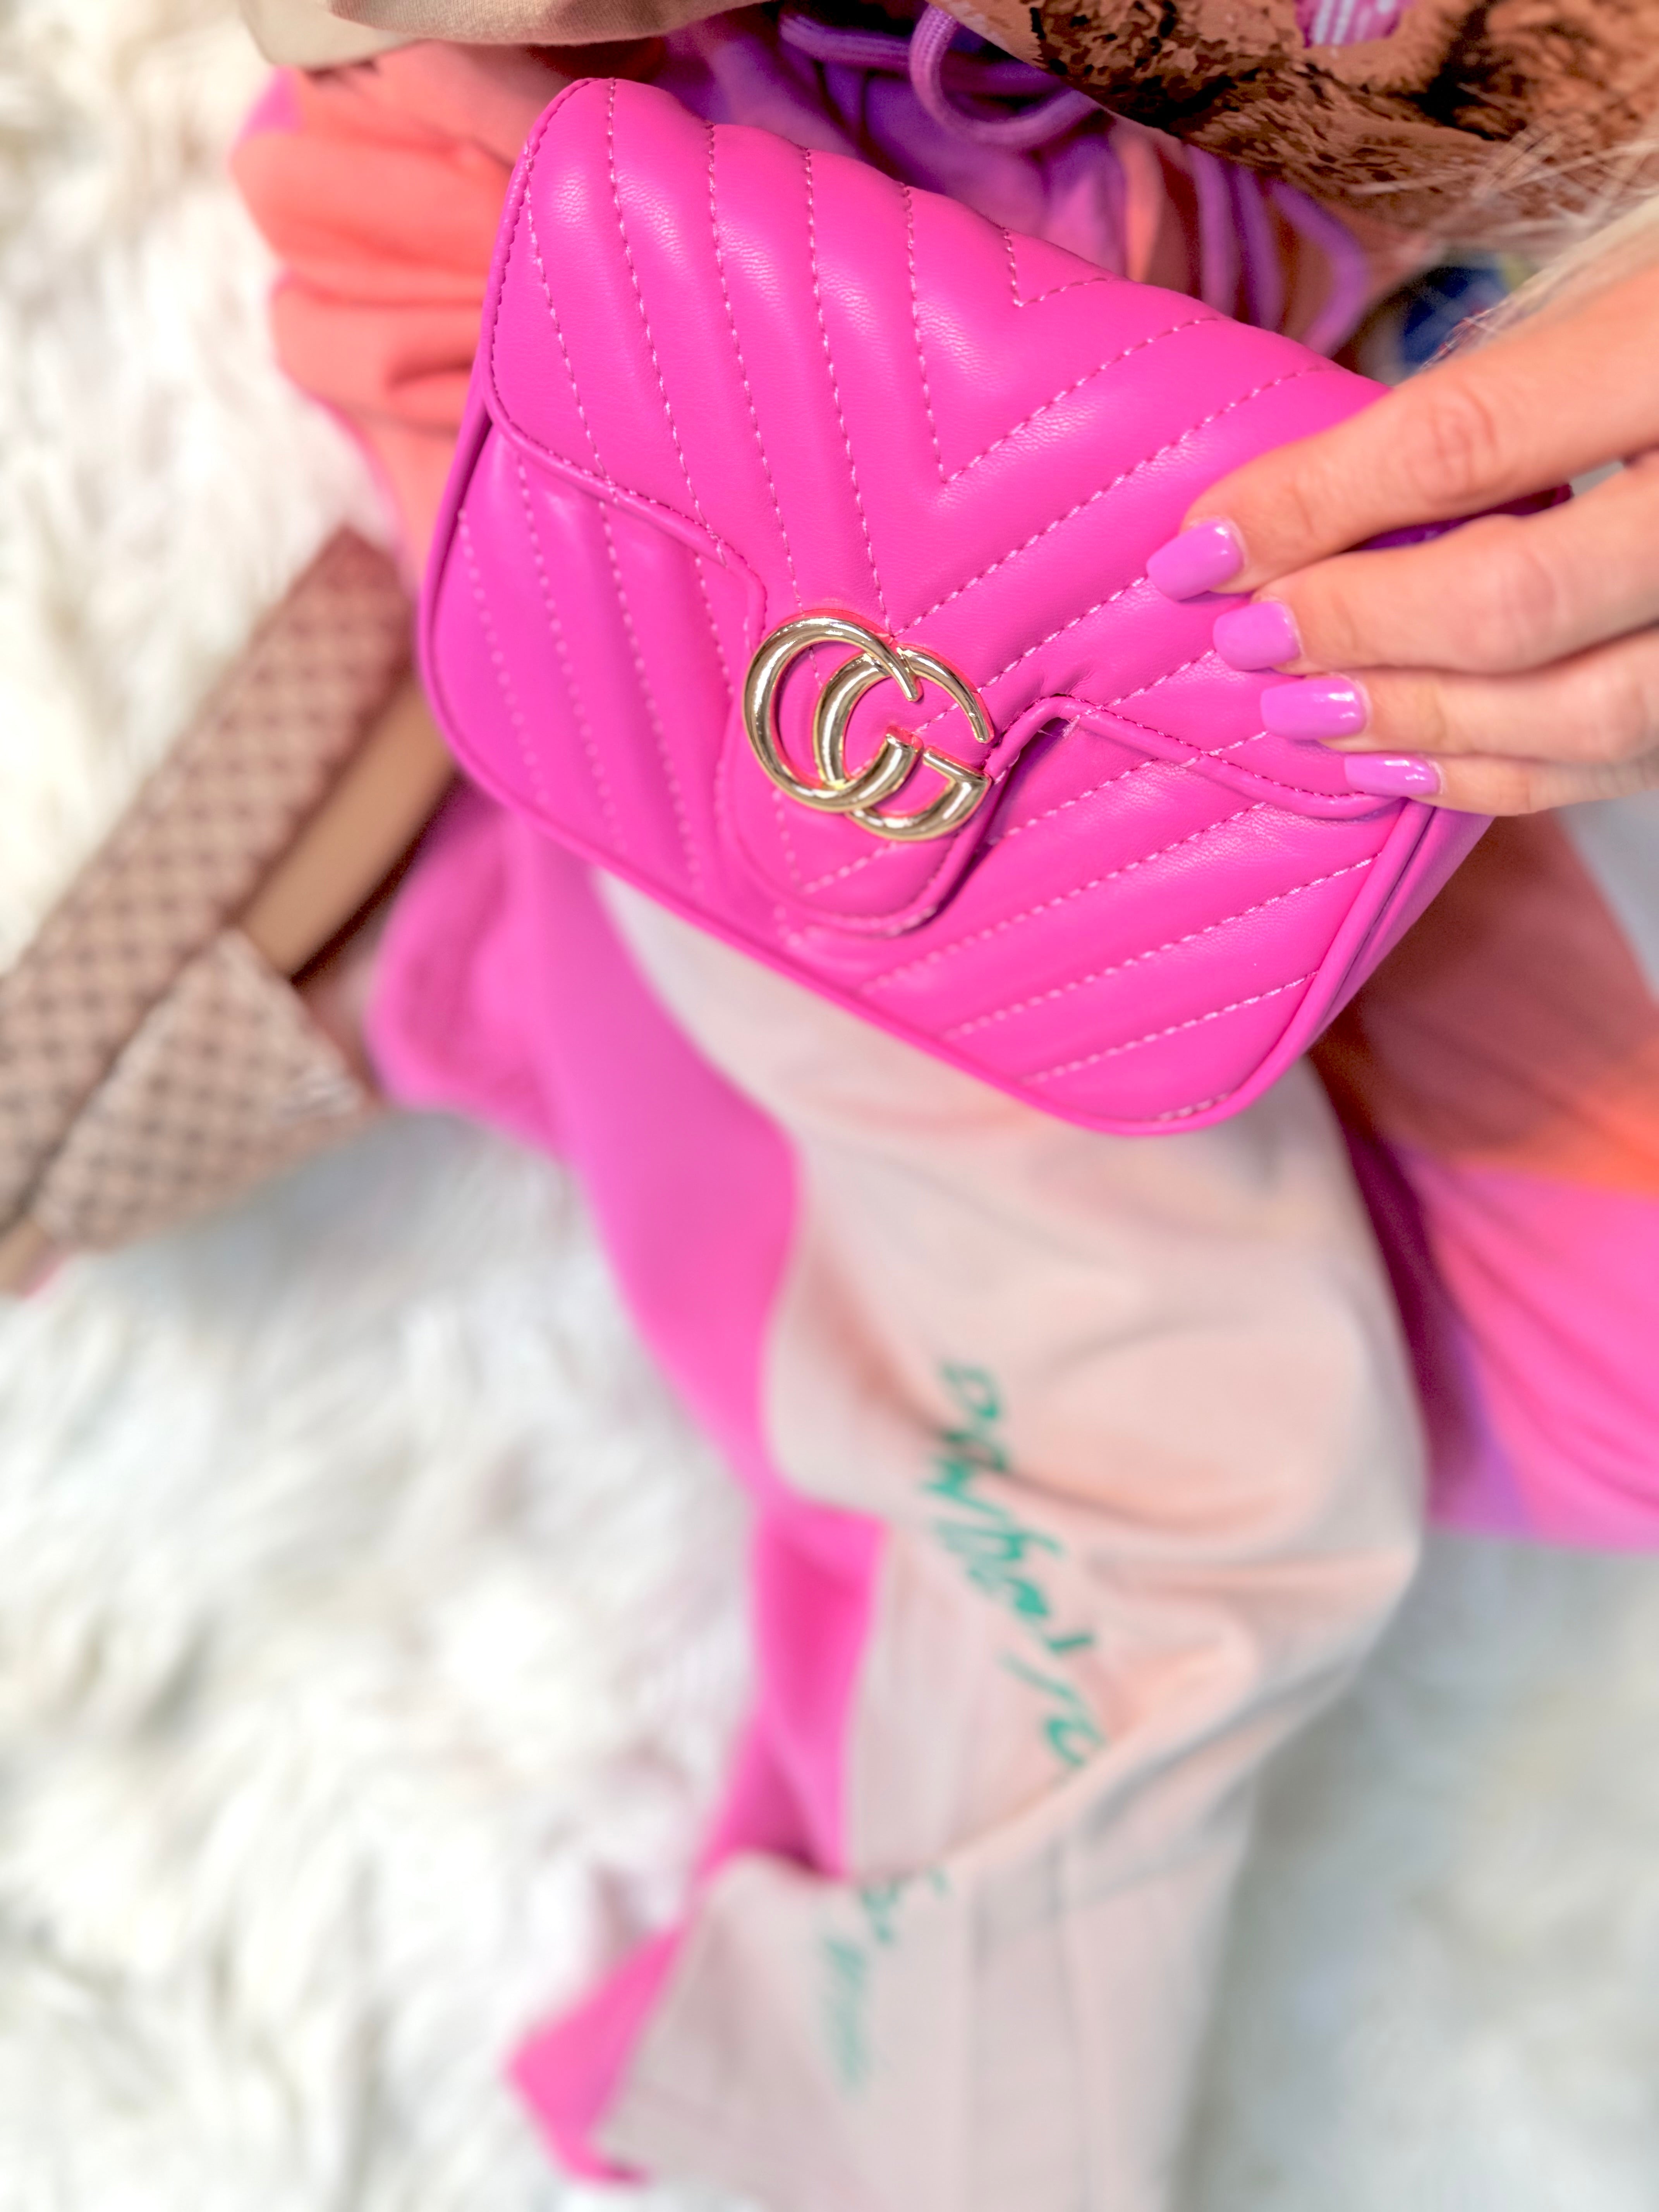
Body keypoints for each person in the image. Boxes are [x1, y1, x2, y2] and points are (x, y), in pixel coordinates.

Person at [231, 4, 1659, 2204]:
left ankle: (509, 936)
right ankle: (878, 2130)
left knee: (1610, 1386)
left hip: (1240, 539)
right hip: (684, 385)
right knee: (1212, 1482)